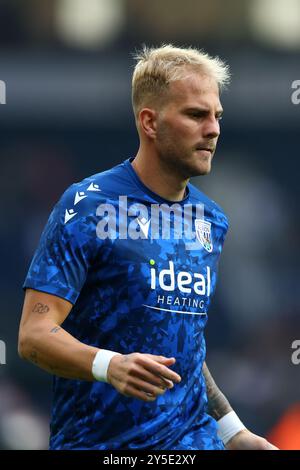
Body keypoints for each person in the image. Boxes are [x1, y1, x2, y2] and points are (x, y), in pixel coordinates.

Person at [18, 45, 278, 450]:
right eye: (196, 115)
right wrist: (109, 365)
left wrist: (234, 432)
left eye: (217, 116)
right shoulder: (88, 206)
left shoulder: (211, 221)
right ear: (150, 122)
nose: (214, 129)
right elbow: (34, 336)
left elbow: (185, 346)